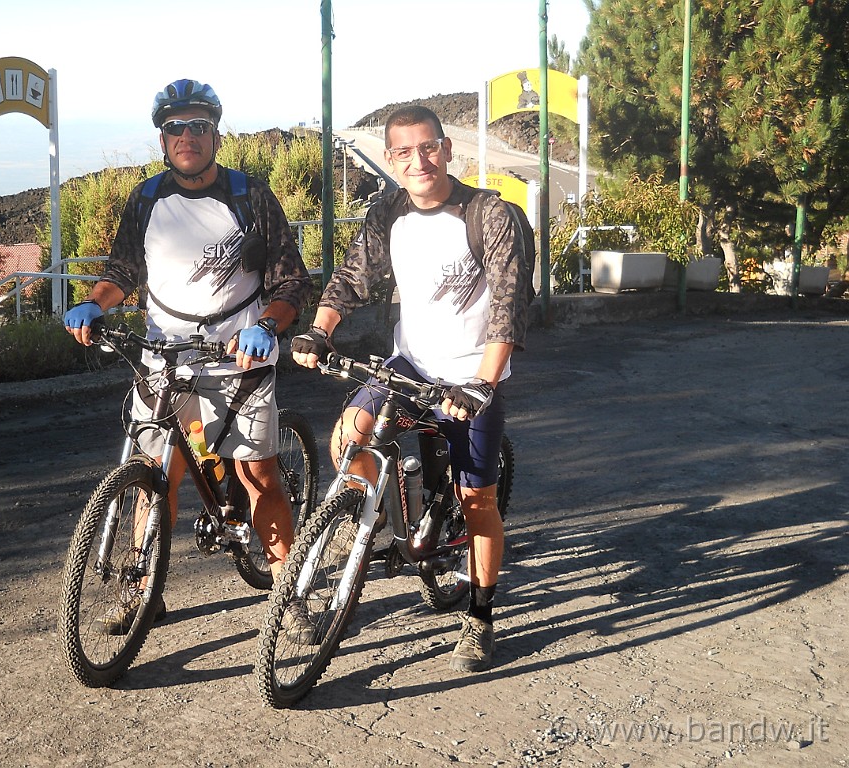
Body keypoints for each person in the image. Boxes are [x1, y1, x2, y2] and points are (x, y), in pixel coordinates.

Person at [291, 105, 535, 672]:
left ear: (447, 149)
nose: (418, 160)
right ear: (391, 160)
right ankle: (372, 515)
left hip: (473, 373)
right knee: (347, 440)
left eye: (428, 148)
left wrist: (481, 383)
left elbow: (508, 308)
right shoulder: (387, 214)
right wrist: (318, 331)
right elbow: (353, 278)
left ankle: (480, 617)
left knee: (477, 501)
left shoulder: (490, 215)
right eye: (404, 152)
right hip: (412, 364)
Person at [64, 78, 312, 634]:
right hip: (165, 357)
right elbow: (124, 273)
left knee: (259, 475)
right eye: (174, 127)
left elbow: (291, 281)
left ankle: (287, 592)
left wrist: (268, 326)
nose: (186, 136)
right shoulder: (147, 199)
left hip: (238, 358)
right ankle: (143, 590)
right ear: (162, 140)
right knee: (156, 474)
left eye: (198, 125)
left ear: (216, 136)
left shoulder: (251, 195)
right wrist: (92, 305)